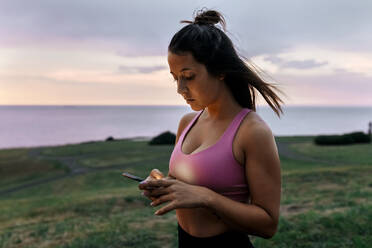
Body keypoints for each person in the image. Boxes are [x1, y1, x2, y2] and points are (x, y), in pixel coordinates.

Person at [138, 9, 283, 247]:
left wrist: (207, 198)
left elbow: (268, 224)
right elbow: (188, 184)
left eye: (189, 76)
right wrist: (164, 184)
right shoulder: (187, 123)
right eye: (175, 77)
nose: (180, 89)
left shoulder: (252, 131)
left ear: (221, 72)